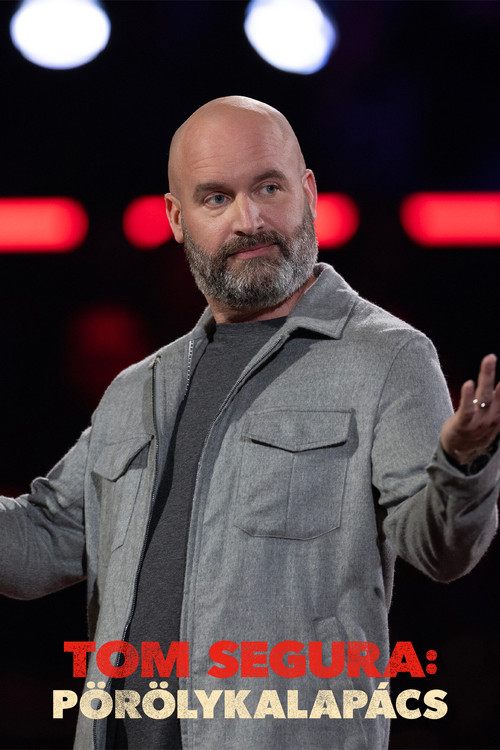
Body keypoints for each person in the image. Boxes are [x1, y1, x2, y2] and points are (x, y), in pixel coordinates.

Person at [1, 96, 499, 750]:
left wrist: (462, 465)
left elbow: (441, 550)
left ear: (308, 193)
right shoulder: (137, 387)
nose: (250, 220)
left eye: (268, 188)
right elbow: (42, 540)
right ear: (176, 219)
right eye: (217, 199)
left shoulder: (388, 358)